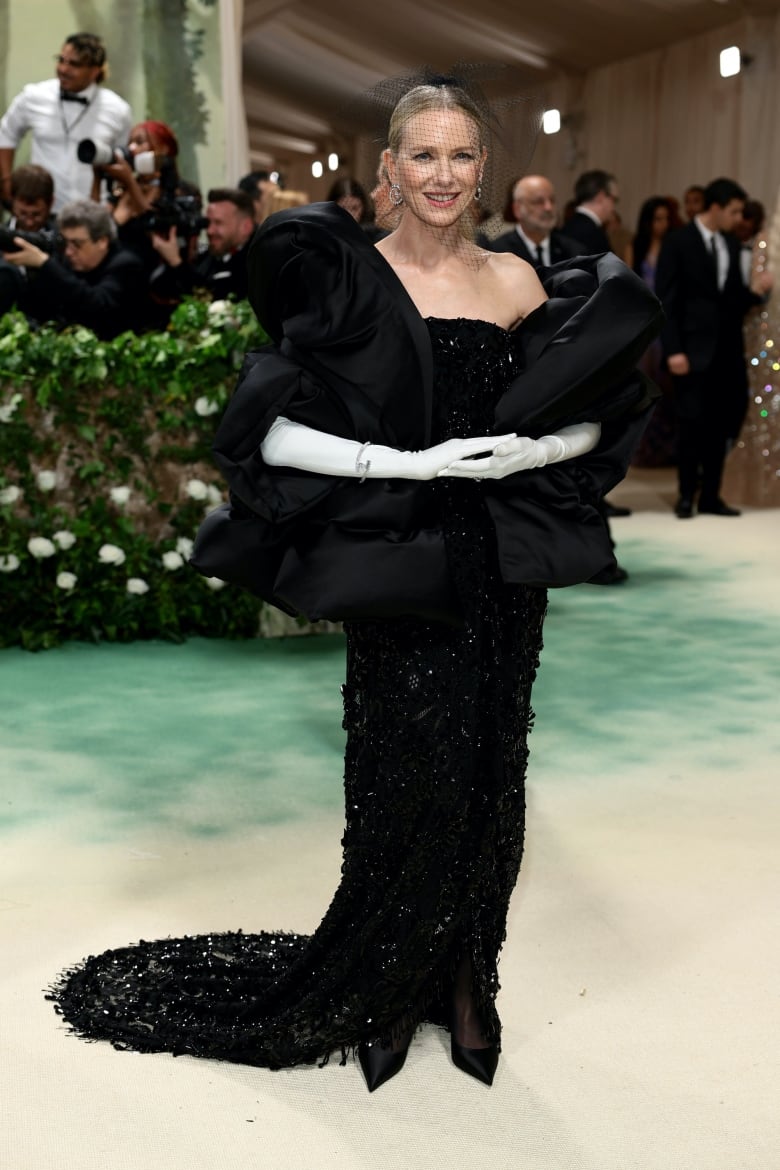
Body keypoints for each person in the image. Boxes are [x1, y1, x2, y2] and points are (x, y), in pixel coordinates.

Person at [48, 76, 661, 1093]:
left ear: (482, 171)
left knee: (489, 770)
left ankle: (467, 981)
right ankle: (378, 982)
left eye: (461, 155)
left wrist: (526, 450)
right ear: (388, 170)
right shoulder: (349, 280)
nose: (442, 174)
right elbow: (272, 427)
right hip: (399, 556)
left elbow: (595, 410)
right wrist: (412, 467)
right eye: (422, 154)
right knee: (401, 766)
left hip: (499, 565)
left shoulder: (516, 281)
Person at [655, 176, 772, 517]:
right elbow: (667, 300)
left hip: (727, 352)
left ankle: (711, 496)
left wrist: (757, 292)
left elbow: (731, 297)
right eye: (734, 211)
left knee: (724, 424)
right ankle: (686, 494)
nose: (739, 218)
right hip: (690, 352)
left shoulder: (731, 246)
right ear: (716, 207)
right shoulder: (678, 242)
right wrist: (673, 349)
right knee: (692, 424)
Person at [0, 33, 131, 211]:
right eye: (61, 60)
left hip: (94, 213)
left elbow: (121, 161)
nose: (63, 69)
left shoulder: (117, 109)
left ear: (95, 71)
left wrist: (114, 204)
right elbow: (6, 134)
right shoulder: (34, 96)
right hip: (41, 212)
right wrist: (6, 181)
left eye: (74, 64)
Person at [1, 197, 145, 338]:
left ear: (102, 241)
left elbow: (98, 305)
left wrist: (45, 265)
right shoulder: (66, 261)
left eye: (77, 244)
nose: (69, 252)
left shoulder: (126, 265)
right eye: (65, 243)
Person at [149, 186, 255, 303]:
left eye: (218, 223)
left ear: (245, 227)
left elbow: (214, 301)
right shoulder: (210, 255)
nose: (209, 231)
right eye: (208, 222)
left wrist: (176, 262)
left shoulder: (258, 262)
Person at [488, 173, 580, 268]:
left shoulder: (573, 252)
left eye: (552, 200)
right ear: (517, 209)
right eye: (538, 202)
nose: (548, 207)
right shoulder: (498, 252)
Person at [560, 169, 618, 253]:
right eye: (614, 200)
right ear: (600, 197)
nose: (614, 207)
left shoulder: (567, 227)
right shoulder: (594, 235)